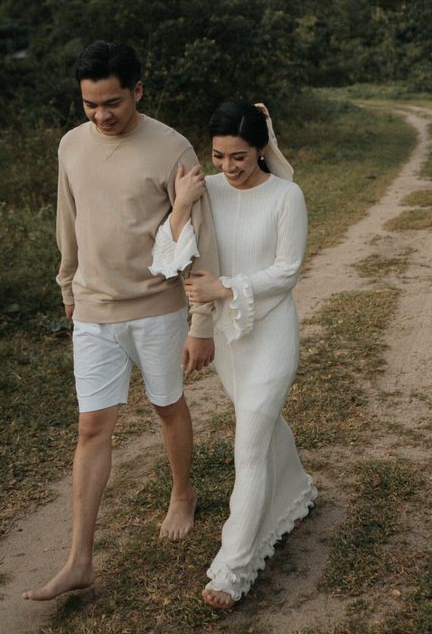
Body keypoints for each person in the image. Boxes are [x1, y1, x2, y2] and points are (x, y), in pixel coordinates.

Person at [23, 41, 220, 603]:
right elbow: (68, 217)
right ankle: (79, 559)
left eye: (112, 102)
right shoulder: (71, 145)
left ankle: (182, 493)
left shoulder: (171, 148)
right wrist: (67, 283)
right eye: (90, 104)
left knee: (166, 406)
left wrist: (201, 320)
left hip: (156, 308)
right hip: (92, 307)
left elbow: (198, 237)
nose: (101, 115)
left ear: (137, 90)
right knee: (91, 427)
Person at [153, 100, 315, 609]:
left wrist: (225, 287)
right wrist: (181, 206)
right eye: (219, 155)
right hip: (228, 339)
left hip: (272, 333)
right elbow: (168, 257)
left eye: (239, 156)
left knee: (248, 442)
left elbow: (287, 271)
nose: (228, 166)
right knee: (260, 425)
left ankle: (233, 568)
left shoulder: (286, 196)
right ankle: (297, 491)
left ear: (261, 149)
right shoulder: (206, 190)